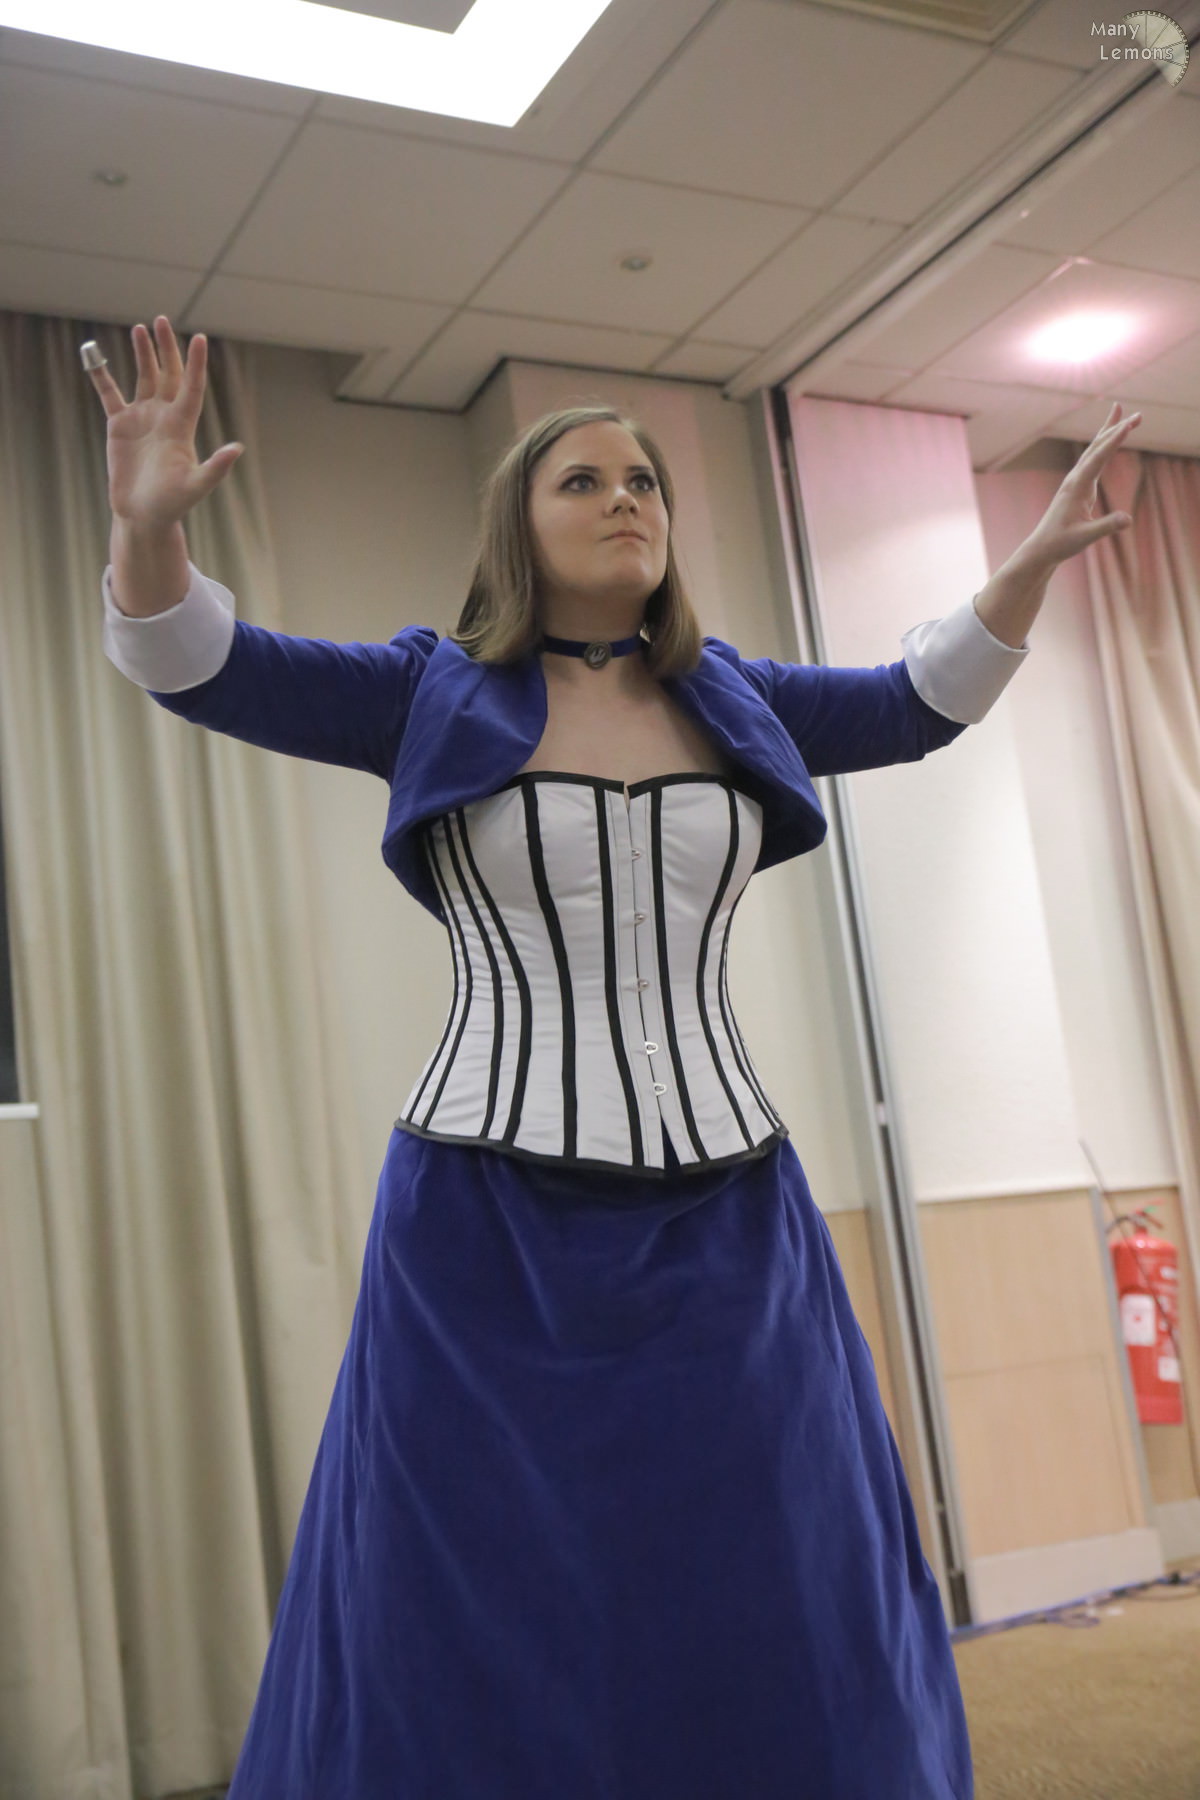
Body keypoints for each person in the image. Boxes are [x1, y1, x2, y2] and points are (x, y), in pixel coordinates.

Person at [86, 317, 1141, 1800]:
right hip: (483, 1229)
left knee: (770, 1558)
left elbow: (915, 704)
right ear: (517, 524)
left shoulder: (734, 698)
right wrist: (147, 533)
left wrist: (1021, 567)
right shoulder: (428, 689)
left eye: (643, 478)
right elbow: (200, 665)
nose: (625, 497)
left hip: (732, 1223)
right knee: (480, 1579)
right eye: (582, 479)